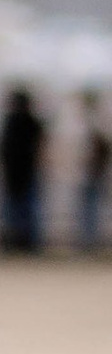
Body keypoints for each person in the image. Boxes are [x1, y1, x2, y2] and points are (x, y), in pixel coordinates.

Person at [0, 83, 46, 255]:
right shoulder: (31, 122)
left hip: (15, 173)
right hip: (25, 173)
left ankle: (15, 243)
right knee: (24, 211)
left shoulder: (12, 123)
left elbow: (2, 149)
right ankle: (25, 243)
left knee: (16, 211)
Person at [79, 93, 110, 256]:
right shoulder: (95, 123)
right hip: (93, 173)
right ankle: (89, 240)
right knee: (91, 208)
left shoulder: (95, 124)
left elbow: (102, 148)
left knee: (91, 208)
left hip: (93, 174)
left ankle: (90, 240)